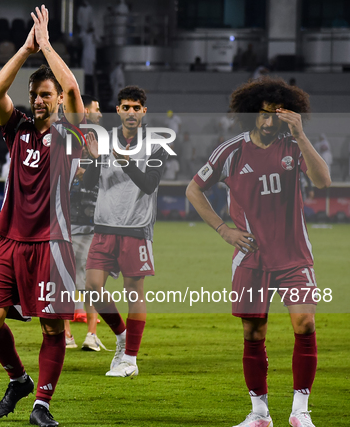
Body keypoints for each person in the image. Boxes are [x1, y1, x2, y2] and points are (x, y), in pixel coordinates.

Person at [185, 77, 331, 427]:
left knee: (305, 323)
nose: (268, 123)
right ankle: (259, 413)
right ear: (252, 114)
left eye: (275, 116)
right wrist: (224, 230)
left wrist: (299, 134)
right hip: (251, 259)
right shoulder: (231, 150)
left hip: (294, 254)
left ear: (285, 116)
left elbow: (323, 181)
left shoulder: (292, 145)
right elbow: (194, 189)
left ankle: (300, 411)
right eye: (262, 115)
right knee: (254, 333)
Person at [0, 5, 83, 427]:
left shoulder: (75, 132)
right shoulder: (18, 128)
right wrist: (25, 50)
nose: (39, 101)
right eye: (35, 95)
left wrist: (47, 47)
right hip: (11, 238)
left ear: (57, 99)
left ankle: (42, 403)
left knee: (53, 328)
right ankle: (19, 379)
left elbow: (74, 88)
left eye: (46, 95)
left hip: (53, 240)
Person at [82, 85, 167, 377]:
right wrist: (94, 158)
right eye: (126, 107)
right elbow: (88, 183)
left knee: (134, 291)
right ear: (117, 110)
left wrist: (126, 162)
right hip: (104, 225)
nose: (131, 112)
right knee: (92, 287)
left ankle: (130, 359)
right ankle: (121, 336)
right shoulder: (103, 141)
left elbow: (149, 184)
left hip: (136, 227)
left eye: (136, 107)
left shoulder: (155, 145)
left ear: (144, 111)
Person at [65, 95, 103, 351]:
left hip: (80, 222)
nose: (99, 113)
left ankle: (77, 336)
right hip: (75, 221)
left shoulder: (90, 138)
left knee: (76, 282)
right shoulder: (78, 137)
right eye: (96, 108)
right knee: (82, 282)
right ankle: (80, 335)